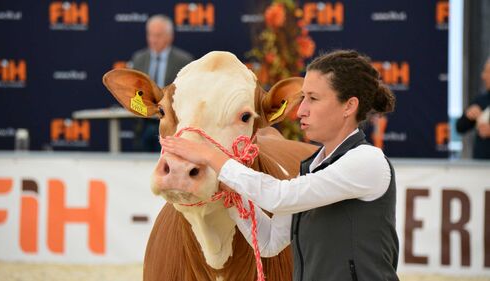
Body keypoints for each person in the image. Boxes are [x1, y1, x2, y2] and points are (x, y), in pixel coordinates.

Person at [161, 50, 399, 281]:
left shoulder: (368, 162)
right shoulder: (311, 168)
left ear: (349, 106)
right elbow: (269, 242)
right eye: (303, 97)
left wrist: (212, 157)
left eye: (313, 99)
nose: (301, 110)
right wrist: (235, 199)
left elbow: (279, 197)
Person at [130, 14, 194, 152]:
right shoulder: (139, 59)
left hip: (172, 125)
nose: (153, 40)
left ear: (169, 37)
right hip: (144, 124)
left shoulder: (183, 61)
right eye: (150, 35)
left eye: (158, 35)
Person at [456, 58, 490, 159]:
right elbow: (460, 127)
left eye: (487, 72)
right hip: (480, 167)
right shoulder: (481, 100)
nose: (483, 76)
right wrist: (468, 115)